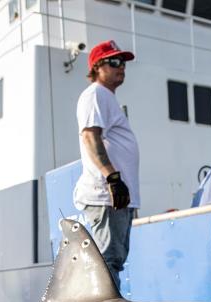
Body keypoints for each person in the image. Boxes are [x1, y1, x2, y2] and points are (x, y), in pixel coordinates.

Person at [73, 40, 139, 289]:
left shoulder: (105, 97)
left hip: (115, 198)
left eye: (122, 62)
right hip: (105, 194)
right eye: (113, 62)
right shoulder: (96, 94)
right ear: (97, 67)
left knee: (113, 261)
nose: (120, 67)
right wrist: (112, 178)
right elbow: (90, 136)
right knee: (107, 262)